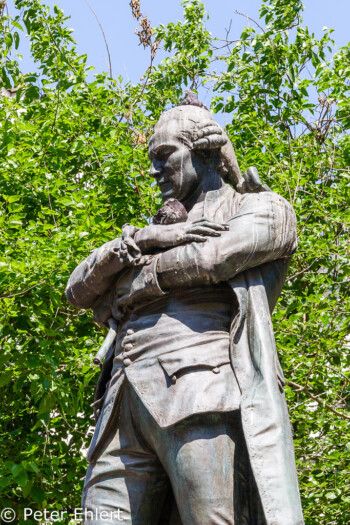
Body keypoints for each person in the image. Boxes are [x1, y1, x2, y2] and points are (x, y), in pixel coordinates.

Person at [66, 93, 304, 525]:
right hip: (121, 407)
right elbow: (77, 290)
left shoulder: (262, 208)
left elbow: (211, 260)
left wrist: (130, 286)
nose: (154, 170)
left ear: (207, 152)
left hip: (200, 396)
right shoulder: (152, 232)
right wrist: (140, 239)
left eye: (164, 155)